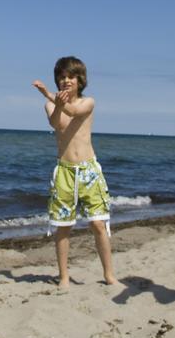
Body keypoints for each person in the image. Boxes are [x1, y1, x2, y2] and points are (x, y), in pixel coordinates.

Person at [33, 56, 117, 290]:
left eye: (70, 77)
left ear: (81, 80)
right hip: (64, 172)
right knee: (63, 226)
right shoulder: (51, 105)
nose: (66, 81)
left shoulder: (88, 101)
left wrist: (50, 94)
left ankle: (109, 275)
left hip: (89, 170)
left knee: (99, 224)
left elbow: (75, 111)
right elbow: (57, 124)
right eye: (61, 77)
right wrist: (54, 101)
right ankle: (64, 277)